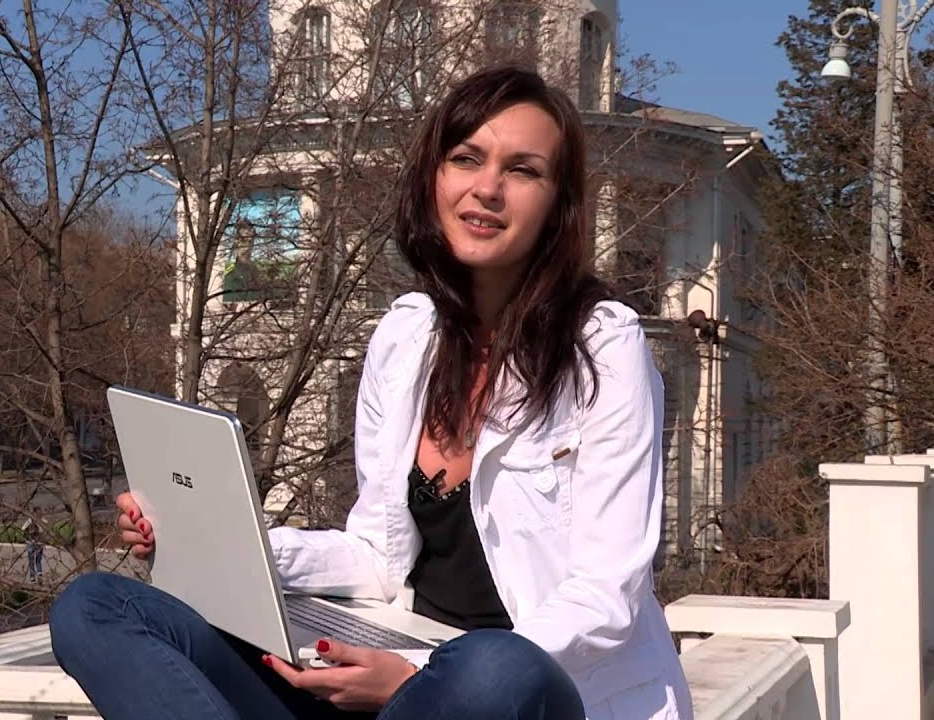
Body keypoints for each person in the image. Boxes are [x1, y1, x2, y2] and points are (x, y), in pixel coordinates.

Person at [49, 65, 691, 720]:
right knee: (96, 605)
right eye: (466, 158)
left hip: (527, 693)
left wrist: (414, 676)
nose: (488, 188)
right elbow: (378, 557)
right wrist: (218, 540)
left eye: (523, 170)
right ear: (434, 179)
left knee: (494, 663)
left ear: (558, 204)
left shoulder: (604, 348)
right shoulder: (406, 336)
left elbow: (605, 598)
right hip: (399, 680)